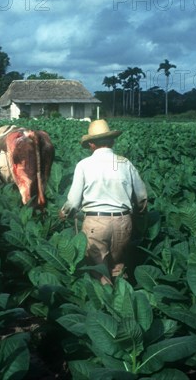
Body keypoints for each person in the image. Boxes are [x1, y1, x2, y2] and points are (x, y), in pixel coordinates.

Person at [59, 119, 148, 285]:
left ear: (91, 144)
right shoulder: (125, 163)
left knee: (99, 272)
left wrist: (64, 213)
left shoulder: (84, 165)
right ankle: (123, 303)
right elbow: (142, 196)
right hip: (123, 222)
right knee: (119, 268)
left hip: (96, 223)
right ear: (112, 141)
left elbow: (73, 201)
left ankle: (106, 306)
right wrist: (139, 214)